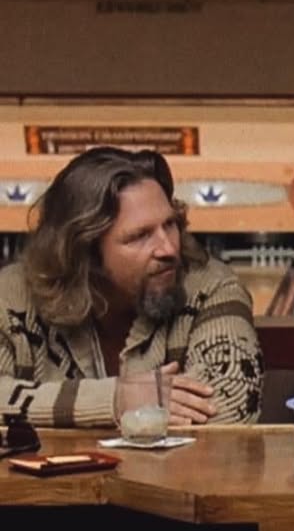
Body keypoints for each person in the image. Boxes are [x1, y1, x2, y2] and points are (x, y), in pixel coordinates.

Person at [0, 147, 263, 427]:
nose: (168, 248)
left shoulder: (210, 286)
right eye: (140, 236)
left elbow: (234, 401)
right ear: (85, 254)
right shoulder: (12, 297)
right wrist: (115, 401)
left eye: (170, 224)